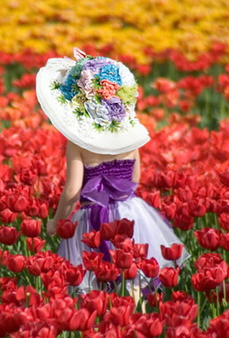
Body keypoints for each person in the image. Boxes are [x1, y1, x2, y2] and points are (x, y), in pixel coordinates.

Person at [36, 48, 189, 300]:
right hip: (132, 213)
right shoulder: (131, 137)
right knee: (133, 274)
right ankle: (135, 316)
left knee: (94, 281)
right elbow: (135, 179)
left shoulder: (79, 143)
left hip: (94, 216)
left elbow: (73, 191)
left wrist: (56, 223)